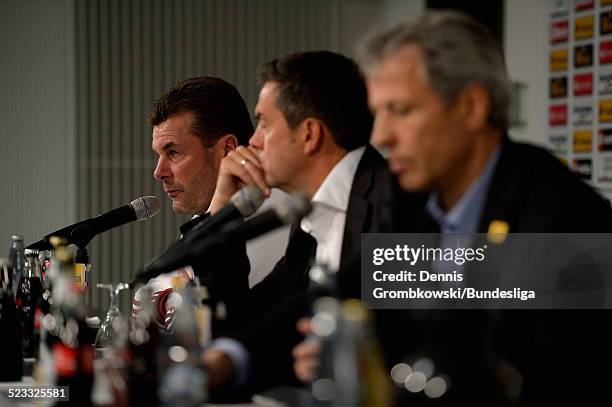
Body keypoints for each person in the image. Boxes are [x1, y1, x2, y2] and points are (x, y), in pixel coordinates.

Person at [293, 10, 612, 405]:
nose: (381, 136)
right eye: (378, 113)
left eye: (402, 110)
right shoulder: (410, 200)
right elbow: (354, 300)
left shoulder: (565, 219)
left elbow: (555, 382)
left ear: (472, 106)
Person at [202, 51, 410, 397]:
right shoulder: (310, 218)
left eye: (265, 124)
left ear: (310, 134)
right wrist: (224, 210)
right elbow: (246, 321)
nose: (252, 142)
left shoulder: (396, 198)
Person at [136, 76, 255, 335]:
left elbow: (212, 326)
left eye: (174, 153)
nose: (159, 172)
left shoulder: (263, 224)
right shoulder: (201, 220)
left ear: (228, 150)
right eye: (159, 155)